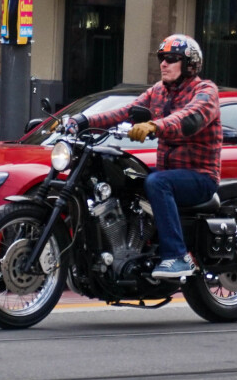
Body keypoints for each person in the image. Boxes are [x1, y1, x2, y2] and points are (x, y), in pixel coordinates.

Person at [67, 34, 221, 279]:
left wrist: (154, 126)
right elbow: (126, 111)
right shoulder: (158, 91)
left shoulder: (205, 91)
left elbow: (191, 117)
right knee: (127, 177)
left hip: (199, 176)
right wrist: (82, 120)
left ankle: (178, 257)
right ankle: (134, 249)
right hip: (167, 171)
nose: (163, 63)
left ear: (190, 64)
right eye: (162, 58)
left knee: (157, 183)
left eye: (172, 59)